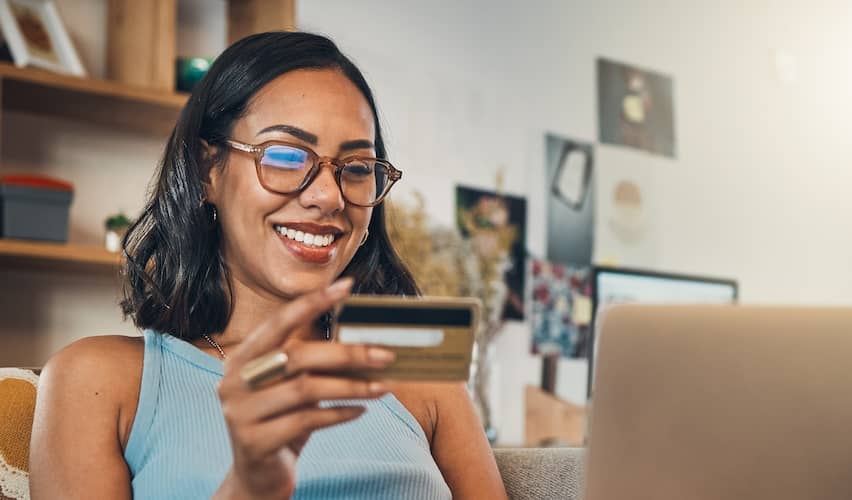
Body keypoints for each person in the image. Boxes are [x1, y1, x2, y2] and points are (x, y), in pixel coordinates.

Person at [29, 32, 507, 499]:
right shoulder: (94, 380)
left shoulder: (420, 368)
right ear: (206, 171)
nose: (327, 196)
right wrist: (251, 487)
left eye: (358, 167)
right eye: (284, 155)